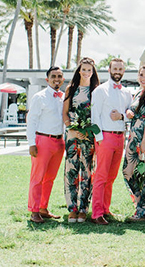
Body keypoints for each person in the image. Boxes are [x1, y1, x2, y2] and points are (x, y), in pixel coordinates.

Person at [91, 57, 133, 225]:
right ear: (109, 70)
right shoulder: (100, 91)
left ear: (123, 71)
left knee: (111, 176)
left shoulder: (127, 92)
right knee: (100, 176)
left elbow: (129, 113)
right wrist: (99, 139)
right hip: (105, 137)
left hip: (120, 136)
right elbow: (94, 118)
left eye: (120, 69)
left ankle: (106, 209)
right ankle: (96, 213)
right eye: (115, 68)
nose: (117, 71)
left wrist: (126, 114)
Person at [62, 57, 100, 223]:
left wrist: (89, 132)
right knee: (71, 170)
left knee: (87, 171)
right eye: (83, 69)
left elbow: (98, 115)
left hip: (88, 137)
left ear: (93, 72)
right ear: (79, 71)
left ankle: (83, 207)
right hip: (72, 136)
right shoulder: (71, 89)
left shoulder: (96, 90)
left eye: (89, 70)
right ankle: (72, 208)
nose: (86, 72)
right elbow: (65, 112)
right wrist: (72, 129)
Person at [27, 66, 66, 223]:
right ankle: (34, 210)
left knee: (50, 178)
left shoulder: (64, 97)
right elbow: (32, 121)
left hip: (59, 141)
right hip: (43, 141)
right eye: (53, 76)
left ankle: (43, 208)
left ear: (63, 79)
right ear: (47, 79)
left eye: (59, 76)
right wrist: (31, 143)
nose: (56, 79)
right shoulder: (39, 97)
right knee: (38, 177)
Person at [122, 65, 145, 221]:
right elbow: (133, 111)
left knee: (144, 172)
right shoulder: (138, 93)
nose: (143, 78)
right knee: (127, 170)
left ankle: (143, 210)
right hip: (133, 135)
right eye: (141, 74)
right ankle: (142, 204)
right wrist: (129, 113)